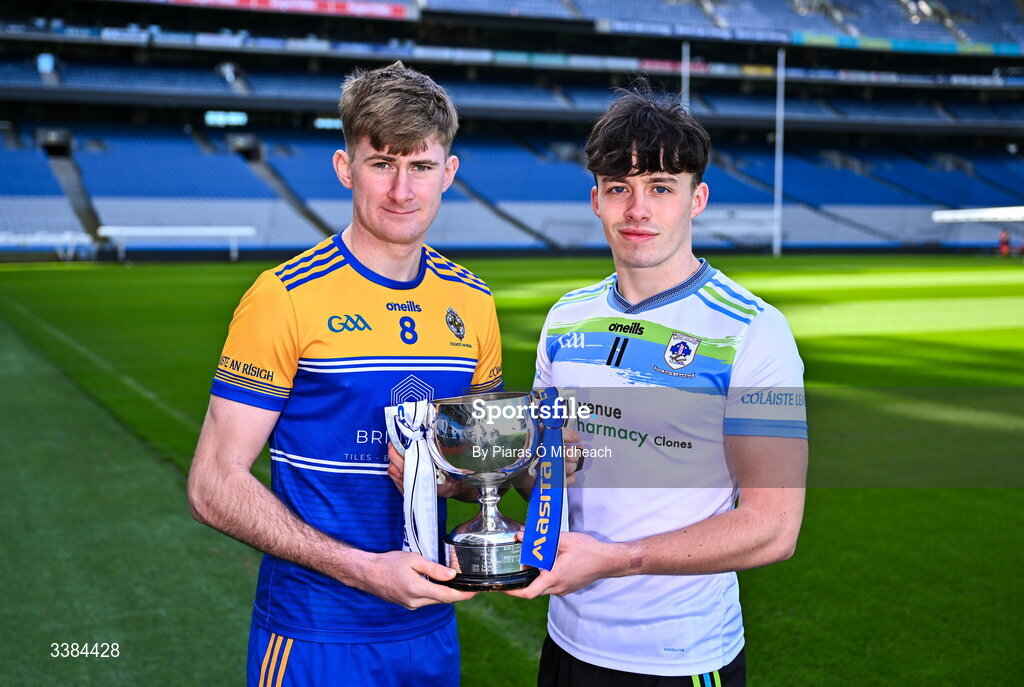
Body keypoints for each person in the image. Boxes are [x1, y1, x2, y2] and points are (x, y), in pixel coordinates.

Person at [187, 61, 504, 687]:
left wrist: (454, 483)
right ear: (345, 167)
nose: (402, 191)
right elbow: (212, 484)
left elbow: (477, 469)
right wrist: (361, 569)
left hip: (430, 631)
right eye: (382, 163)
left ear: (449, 173)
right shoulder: (284, 296)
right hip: (313, 636)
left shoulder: (473, 301)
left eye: (420, 166)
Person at [506, 87, 809, 687]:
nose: (637, 208)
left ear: (697, 199)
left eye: (661, 187)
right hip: (566, 643)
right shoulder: (567, 318)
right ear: (596, 199)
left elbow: (774, 526)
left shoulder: (752, 330)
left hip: (680, 658)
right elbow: (546, 475)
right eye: (619, 187)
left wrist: (620, 561)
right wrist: (503, 473)